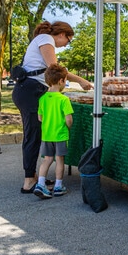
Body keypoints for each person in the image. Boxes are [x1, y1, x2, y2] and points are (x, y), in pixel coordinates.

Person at [12, 21, 93, 194]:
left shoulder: (43, 39)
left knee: (34, 134)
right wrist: (80, 80)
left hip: (29, 90)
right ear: (63, 34)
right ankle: (28, 181)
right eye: (68, 41)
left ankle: (34, 177)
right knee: (33, 136)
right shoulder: (45, 39)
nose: (66, 45)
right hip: (31, 91)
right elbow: (54, 69)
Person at [33, 63, 73, 199]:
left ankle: (40, 184)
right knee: (59, 160)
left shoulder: (43, 98)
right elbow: (69, 119)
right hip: (60, 134)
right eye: (65, 80)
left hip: (46, 135)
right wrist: (69, 127)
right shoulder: (64, 99)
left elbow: (40, 118)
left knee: (47, 160)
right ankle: (58, 186)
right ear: (61, 81)